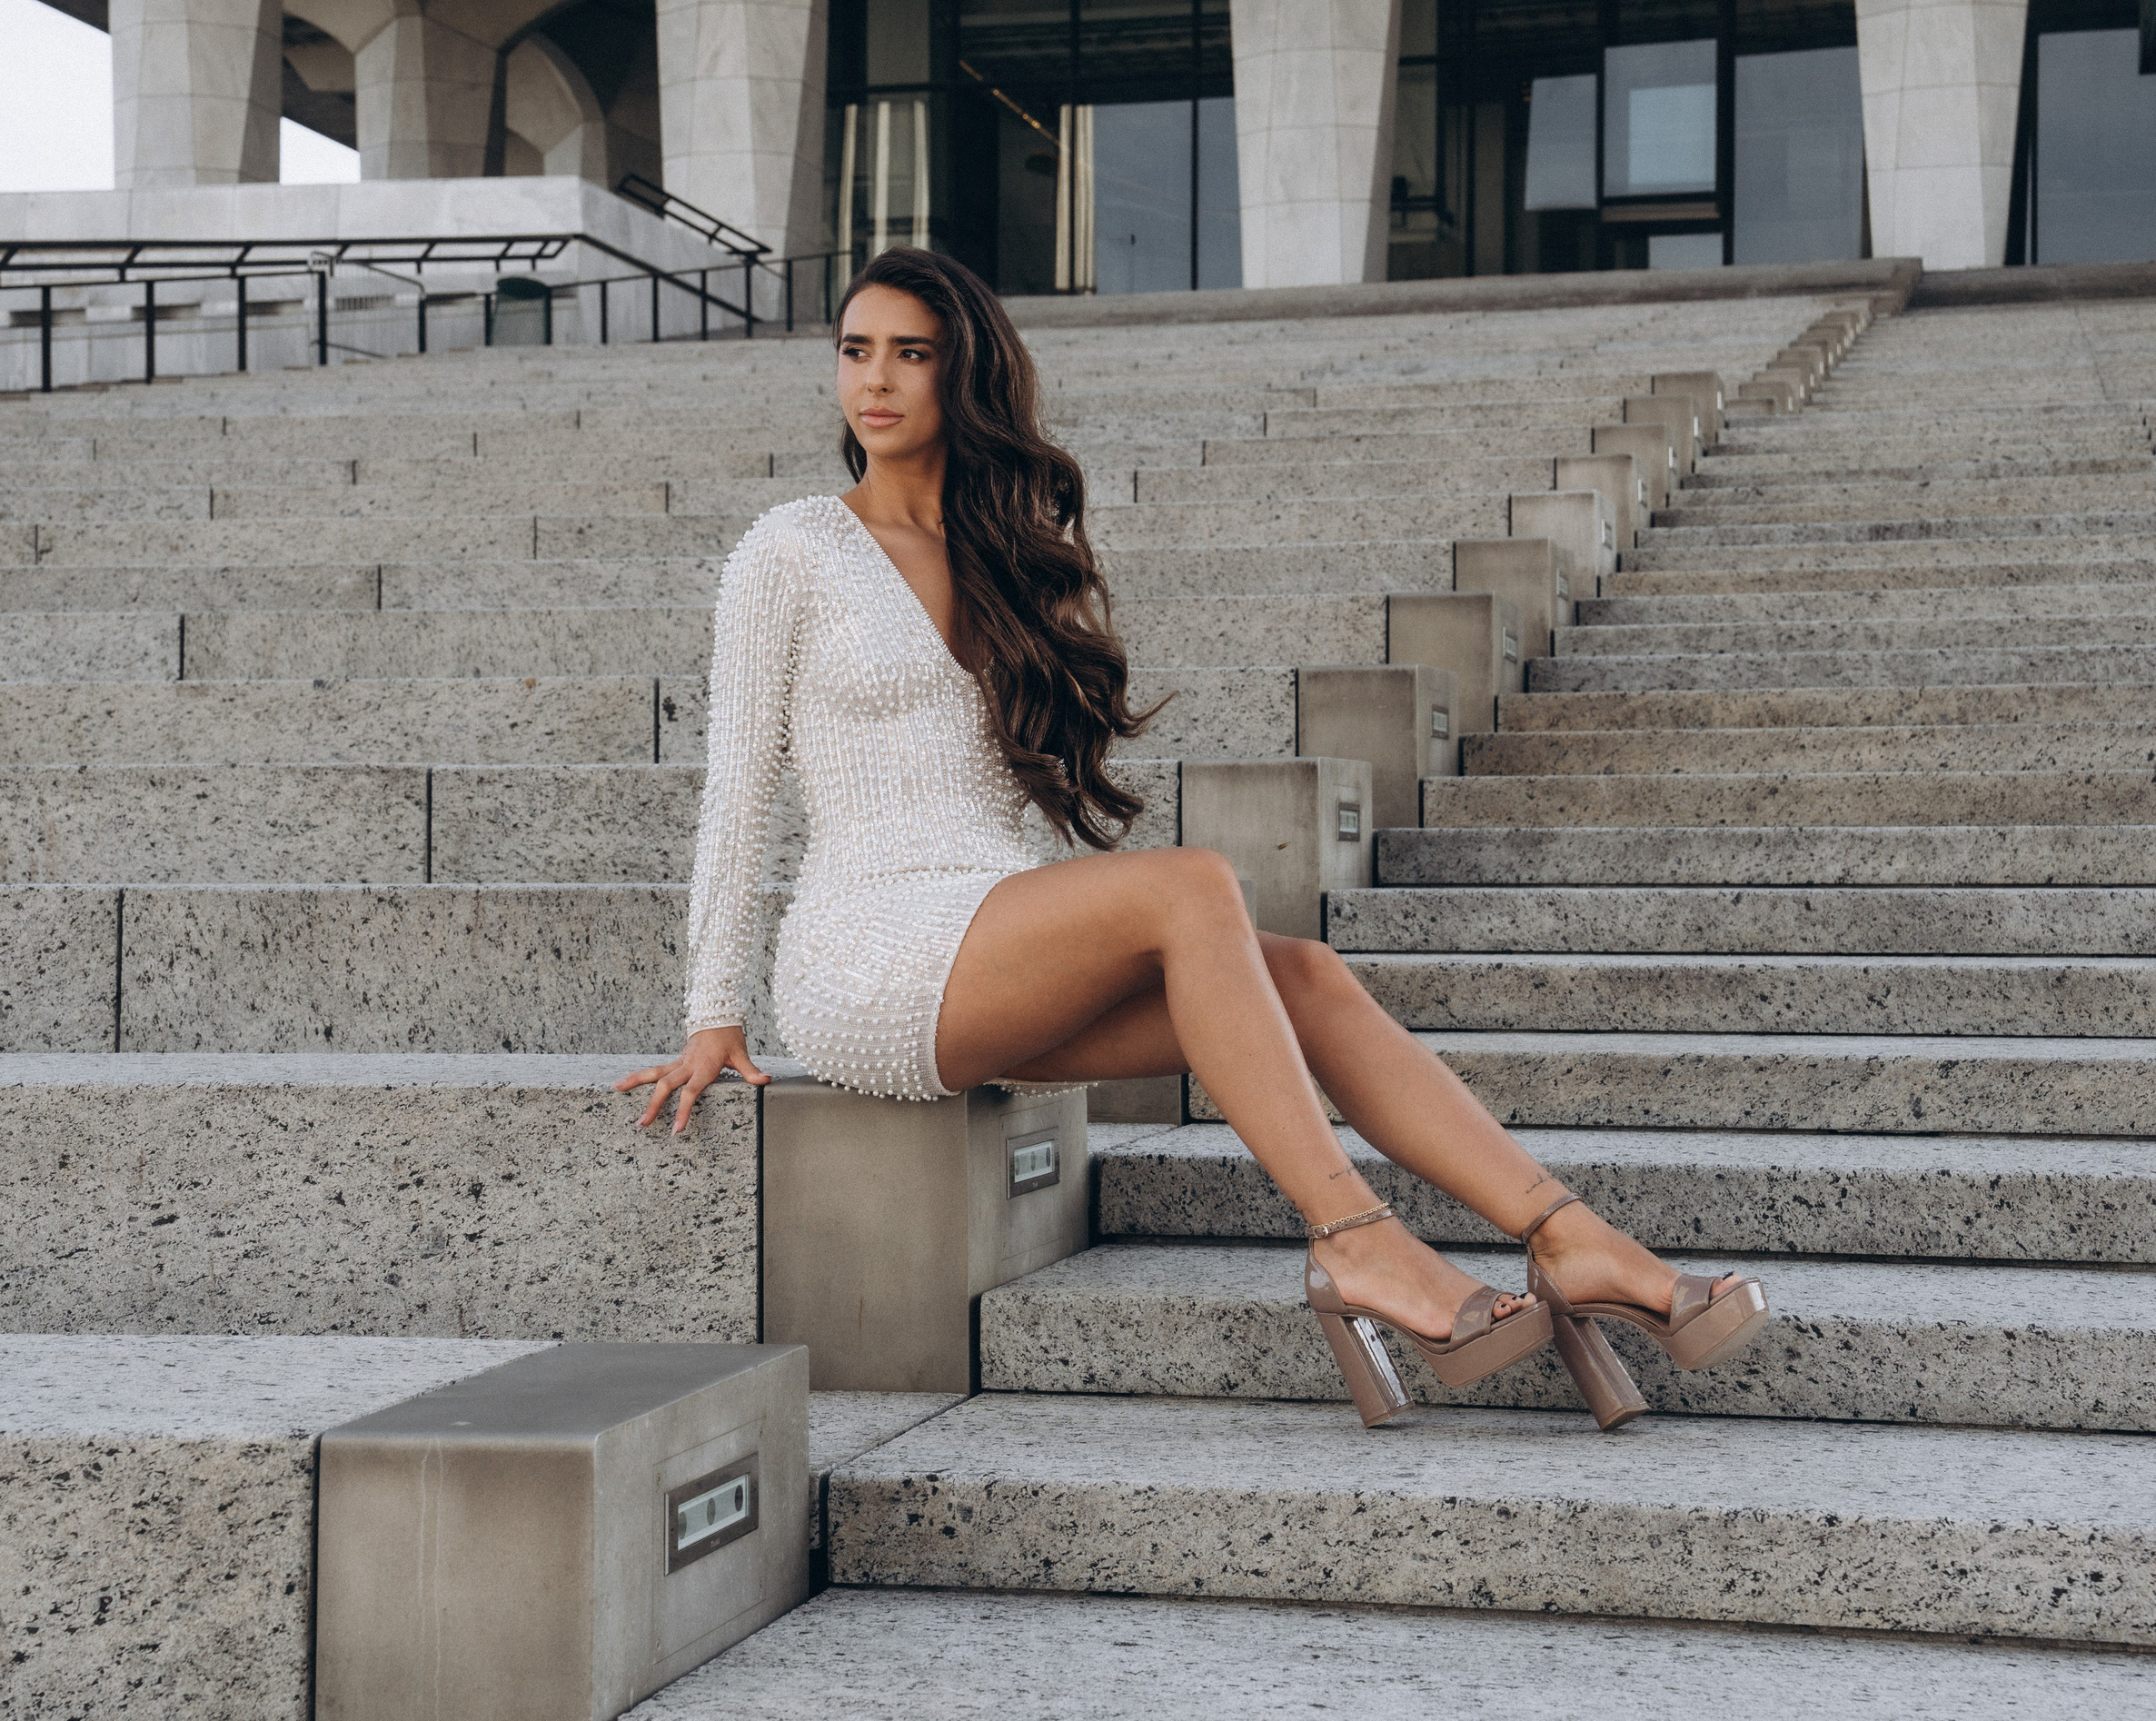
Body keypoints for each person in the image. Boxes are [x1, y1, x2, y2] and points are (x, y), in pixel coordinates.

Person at [617, 247, 1767, 1428]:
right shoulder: (792, 547)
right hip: (867, 951)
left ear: (964, 373)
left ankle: (1566, 1237)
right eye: (856, 351)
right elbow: (739, 792)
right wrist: (716, 1011)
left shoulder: (1006, 556)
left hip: (994, 931)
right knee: (1191, 887)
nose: (877, 379)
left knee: (1306, 975)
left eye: (912, 352)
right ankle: (1355, 1237)